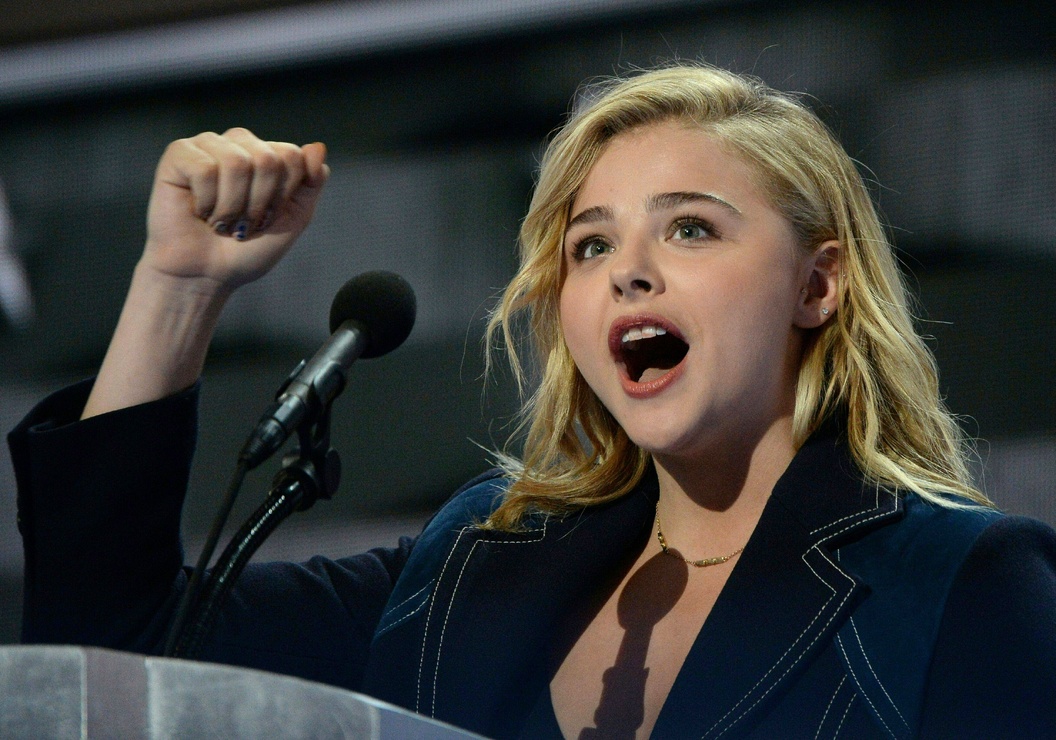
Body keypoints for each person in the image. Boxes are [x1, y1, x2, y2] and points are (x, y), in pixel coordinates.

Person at [9, 64, 1056, 739]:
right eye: (591, 245)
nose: (627, 271)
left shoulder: (958, 585)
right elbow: (115, 651)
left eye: (690, 228)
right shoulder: (477, 560)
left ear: (817, 284)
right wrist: (179, 286)